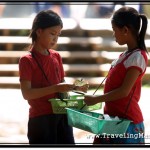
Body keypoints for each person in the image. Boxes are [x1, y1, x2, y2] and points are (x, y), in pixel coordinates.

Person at [19, 10, 88, 144]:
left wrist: (75, 88)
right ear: (39, 32)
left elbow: (62, 84)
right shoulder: (27, 60)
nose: (55, 39)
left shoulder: (56, 56)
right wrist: (56, 88)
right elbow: (27, 93)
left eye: (58, 35)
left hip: (62, 115)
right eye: (52, 34)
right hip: (41, 120)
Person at [84, 6, 148, 144]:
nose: (114, 35)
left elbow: (124, 91)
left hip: (127, 123)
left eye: (115, 30)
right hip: (112, 119)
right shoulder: (125, 55)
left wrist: (97, 99)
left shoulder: (138, 57)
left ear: (125, 30)